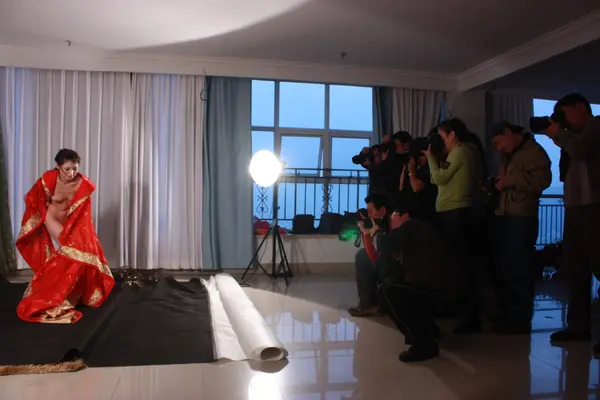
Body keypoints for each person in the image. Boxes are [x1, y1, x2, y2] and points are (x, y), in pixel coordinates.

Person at [15, 149, 114, 324]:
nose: (71, 173)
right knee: (68, 254)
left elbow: (83, 214)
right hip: (51, 219)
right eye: (67, 169)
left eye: (75, 169)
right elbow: (34, 199)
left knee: (77, 255)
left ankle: (70, 292)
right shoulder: (49, 179)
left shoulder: (82, 184)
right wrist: (38, 220)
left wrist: (83, 234)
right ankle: (50, 295)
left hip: (72, 223)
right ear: (58, 166)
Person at [541, 94, 600, 346]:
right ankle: (578, 327)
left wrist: (561, 135)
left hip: (595, 206)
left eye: (564, 114)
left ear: (580, 107)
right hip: (575, 206)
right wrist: (560, 138)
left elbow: (581, 150)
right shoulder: (571, 137)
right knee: (576, 269)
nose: (562, 121)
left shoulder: (596, 125)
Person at [488, 122, 552, 334]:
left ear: (508, 132)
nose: (499, 148)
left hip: (522, 216)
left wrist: (511, 180)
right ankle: (507, 315)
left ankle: (520, 320)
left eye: (499, 142)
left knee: (520, 269)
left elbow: (543, 180)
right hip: (505, 214)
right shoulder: (510, 154)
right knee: (505, 268)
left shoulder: (534, 151)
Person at [377, 204, 460, 362]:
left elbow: (385, 245)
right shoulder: (420, 231)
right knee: (396, 284)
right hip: (443, 292)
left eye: (394, 216)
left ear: (404, 216)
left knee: (388, 292)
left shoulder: (412, 225)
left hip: (442, 295)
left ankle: (424, 345)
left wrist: (377, 231)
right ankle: (428, 330)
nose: (390, 220)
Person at [425, 118, 484, 334]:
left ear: (452, 134)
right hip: (454, 211)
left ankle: (469, 317)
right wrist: (436, 159)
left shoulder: (461, 151)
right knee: (458, 266)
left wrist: (430, 157)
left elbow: (439, 179)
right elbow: (436, 178)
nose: (441, 141)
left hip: (456, 212)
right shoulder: (463, 151)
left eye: (442, 137)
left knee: (461, 266)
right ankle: (462, 313)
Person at [348, 193, 391, 317]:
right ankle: (372, 303)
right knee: (362, 254)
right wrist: (367, 231)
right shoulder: (384, 222)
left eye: (371, 211)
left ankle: (368, 305)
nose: (369, 215)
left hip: (396, 264)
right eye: (368, 212)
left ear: (382, 210)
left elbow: (373, 256)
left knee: (362, 257)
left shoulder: (392, 223)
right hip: (392, 260)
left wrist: (366, 233)